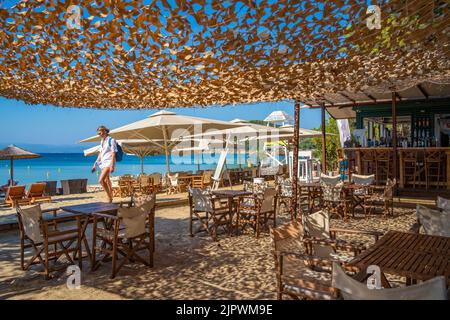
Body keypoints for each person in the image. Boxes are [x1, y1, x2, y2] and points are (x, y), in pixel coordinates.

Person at [92, 126, 117, 202]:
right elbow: (100, 153)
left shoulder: (111, 140)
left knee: (100, 180)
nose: (99, 134)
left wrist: (112, 165)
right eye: (98, 133)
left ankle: (109, 197)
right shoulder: (102, 141)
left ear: (105, 131)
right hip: (102, 162)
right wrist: (95, 163)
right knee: (107, 180)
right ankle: (110, 195)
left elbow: (113, 153)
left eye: (100, 132)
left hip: (109, 162)